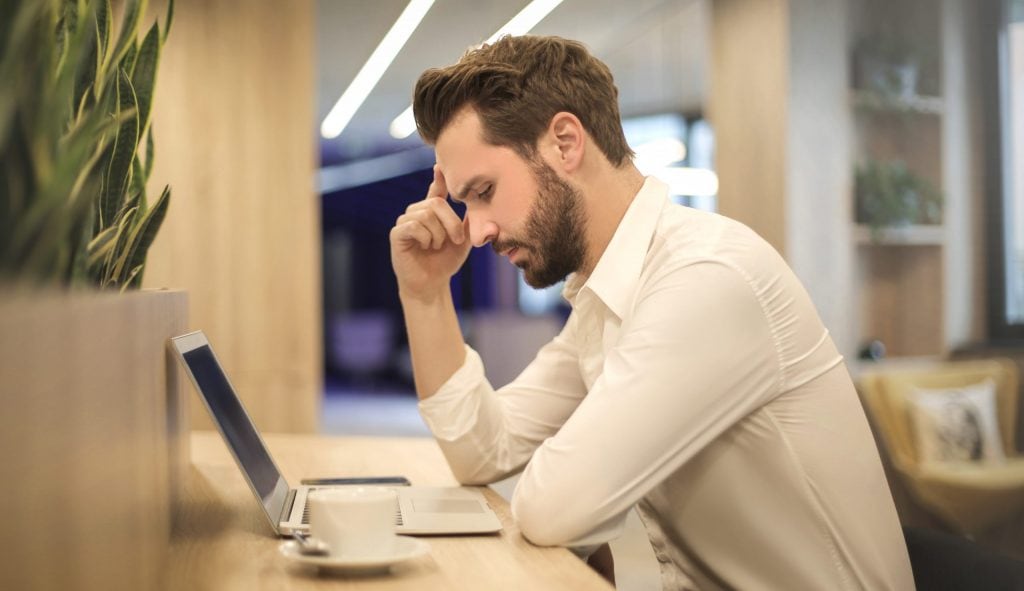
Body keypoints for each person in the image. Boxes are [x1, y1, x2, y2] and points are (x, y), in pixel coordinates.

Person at [389, 35, 914, 590]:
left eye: (485, 191)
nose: (475, 231)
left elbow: (553, 507)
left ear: (565, 143)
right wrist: (424, 294)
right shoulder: (607, 294)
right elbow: (482, 451)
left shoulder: (705, 278)